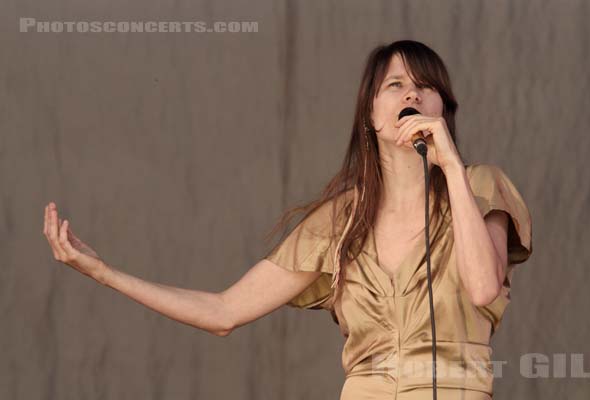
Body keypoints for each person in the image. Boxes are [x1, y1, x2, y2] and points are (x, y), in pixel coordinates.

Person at [43, 40, 533, 399]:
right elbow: (223, 312)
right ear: (371, 111)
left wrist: (448, 166)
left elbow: (483, 287)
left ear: (444, 109)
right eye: (396, 84)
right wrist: (106, 274)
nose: (412, 95)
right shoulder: (340, 221)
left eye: (427, 88)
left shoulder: (479, 185)